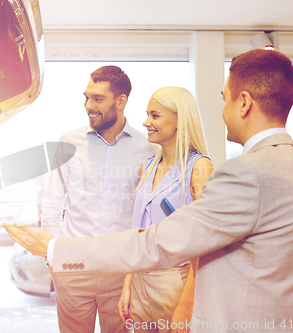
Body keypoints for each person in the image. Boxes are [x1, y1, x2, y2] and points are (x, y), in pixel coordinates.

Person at [5, 49, 293, 333]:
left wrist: (56, 249)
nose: (221, 112)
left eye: (225, 99)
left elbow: (161, 242)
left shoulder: (245, 173)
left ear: (244, 103)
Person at [40, 65, 154, 333]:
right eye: (87, 97)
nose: (88, 105)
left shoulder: (148, 148)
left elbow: (147, 214)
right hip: (73, 268)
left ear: (121, 100)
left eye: (98, 98)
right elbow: (52, 205)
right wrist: (54, 259)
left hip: (121, 273)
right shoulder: (68, 142)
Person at [117, 86, 213, 333]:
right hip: (139, 279)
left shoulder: (199, 168)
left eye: (155, 115)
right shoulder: (146, 168)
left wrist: (187, 303)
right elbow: (137, 232)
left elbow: (204, 245)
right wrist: (128, 283)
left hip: (175, 282)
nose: (146, 122)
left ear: (180, 119)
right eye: (147, 114)